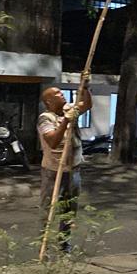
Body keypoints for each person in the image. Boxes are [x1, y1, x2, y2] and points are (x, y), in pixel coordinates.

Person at [37, 76, 92, 252]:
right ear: (49, 101)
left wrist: (84, 87)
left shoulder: (70, 110)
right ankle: (43, 246)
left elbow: (87, 104)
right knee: (48, 209)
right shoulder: (45, 118)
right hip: (53, 170)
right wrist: (66, 121)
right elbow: (52, 141)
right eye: (58, 94)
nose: (62, 95)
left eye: (61, 92)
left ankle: (64, 246)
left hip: (73, 169)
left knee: (69, 210)